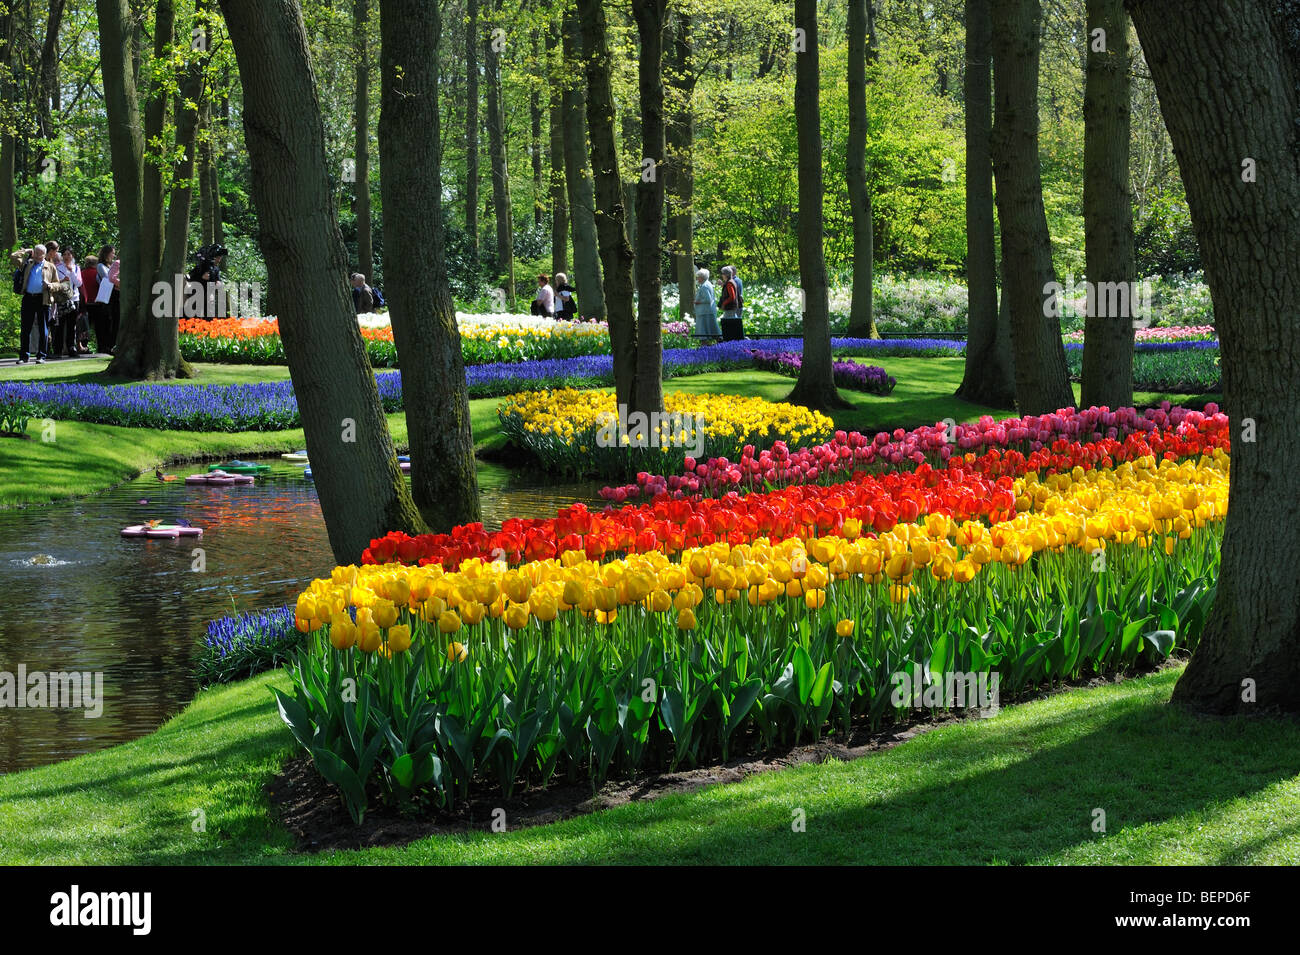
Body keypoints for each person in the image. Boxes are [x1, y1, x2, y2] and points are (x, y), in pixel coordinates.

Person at [12, 244, 61, 364]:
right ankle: (24, 356)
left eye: (41, 254)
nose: (38, 256)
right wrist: (27, 251)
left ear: (45, 254)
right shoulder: (27, 264)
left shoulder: (50, 267)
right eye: (36, 253)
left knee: (43, 328)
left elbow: (58, 284)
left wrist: (50, 286)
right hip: (28, 298)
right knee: (25, 328)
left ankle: (41, 356)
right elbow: (13, 257)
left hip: (43, 299)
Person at [54, 248, 84, 357]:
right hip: (62, 299)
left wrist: (72, 272)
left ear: (72, 256)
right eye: (65, 254)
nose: (67, 257)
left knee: (72, 325)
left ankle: (71, 347)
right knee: (60, 325)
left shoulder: (76, 268)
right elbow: (55, 282)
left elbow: (79, 284)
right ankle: (58, 349)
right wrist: (62, 281)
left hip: (74, 299)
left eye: (69, 254)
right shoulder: (57, 268)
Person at [189, 243, 228, 318]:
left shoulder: (216, 268)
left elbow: (218, 279)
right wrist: (201, 278)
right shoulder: (201, 266)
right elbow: (190, 278)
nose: (219, 260)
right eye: (218, 258)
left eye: (220, 258)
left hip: (209, 295)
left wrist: (219, 283)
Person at [80, 255, 102, 353]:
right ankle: (101, 347)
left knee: (85, 326)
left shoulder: (81, 273)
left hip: (85, 304)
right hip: (96, 303)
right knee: (98, 327)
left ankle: (84, 346)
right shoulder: (97, 273)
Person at [719, 266, 744, 341]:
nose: (722, 275)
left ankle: (730, 340)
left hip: (730, 307)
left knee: (727, 323)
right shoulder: (730, 282)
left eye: (722, 274)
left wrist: (724, 303)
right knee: (732, 322)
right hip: (732, 307)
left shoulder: (729, 283)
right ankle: (733, 339)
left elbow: (732, 297)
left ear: (726, 275)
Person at [693, 268, 720, 338]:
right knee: (712, 328)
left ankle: (704, 344)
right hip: (708, 310)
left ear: (702, 277)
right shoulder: (708, 284)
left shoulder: (704, 286)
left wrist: (697, 302)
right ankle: (716, 342)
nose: (697, 279)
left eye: (698, 277)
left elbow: (708, 299)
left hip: (704, 311)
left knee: (703, 330)